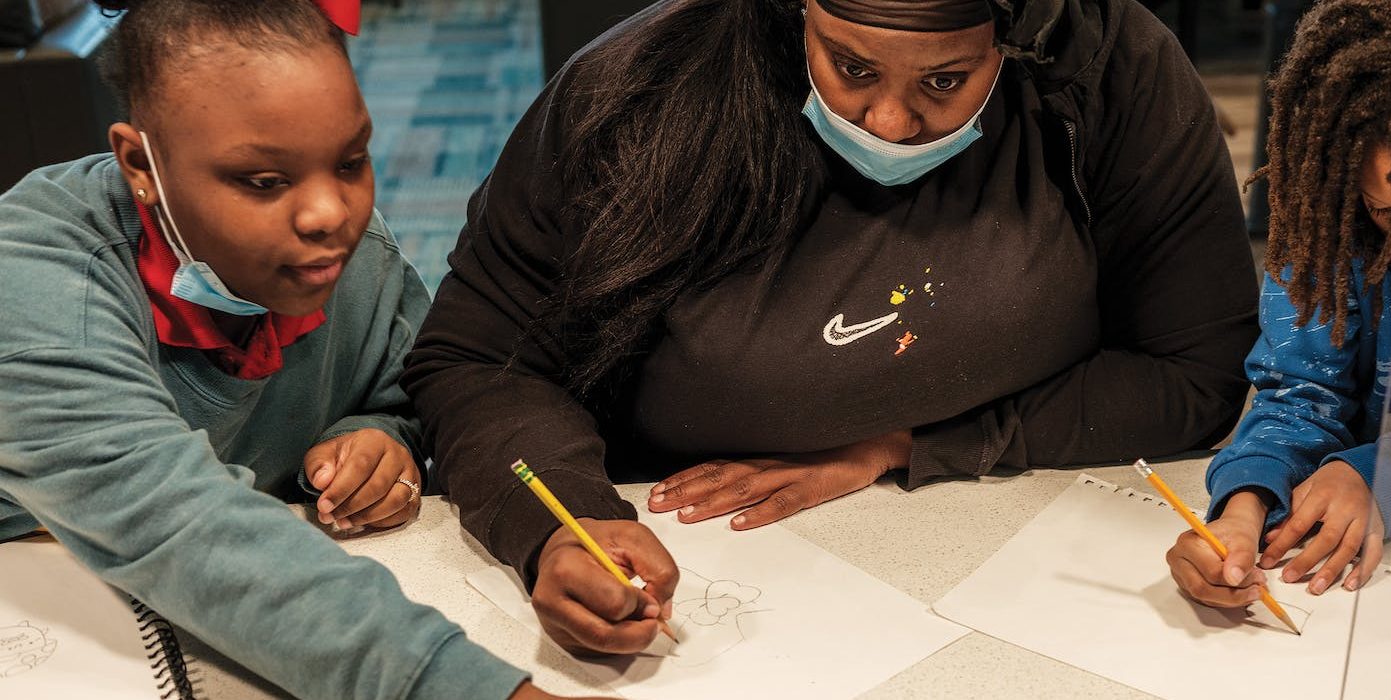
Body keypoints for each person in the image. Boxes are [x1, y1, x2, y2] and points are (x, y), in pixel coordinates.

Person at [404, 0, 1259, 655]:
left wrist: (905, 444)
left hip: (1004, 552)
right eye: (851, 67)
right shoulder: (637, 89)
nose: (888, 122)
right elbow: (480, 359)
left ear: (1013, 36)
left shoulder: (1109, 73)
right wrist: (562, 523)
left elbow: (1192, 370)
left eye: (944, 82)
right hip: (685, 543)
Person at [0, 1, 582, 697]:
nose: (330, 214)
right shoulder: (36, 277)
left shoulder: (353, 263)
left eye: (350, 161)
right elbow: (173, 520)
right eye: (264, 182)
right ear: (139, 164)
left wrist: (375, 437)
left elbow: (402, 391)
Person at [1167, 0, 1391, 610]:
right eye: (1383, 211)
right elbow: (1299, 393)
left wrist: (1385, 472)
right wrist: (1247, 500)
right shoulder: (1330, 236)